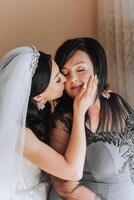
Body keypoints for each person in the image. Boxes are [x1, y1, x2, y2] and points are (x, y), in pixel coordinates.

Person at [0, 46, 98, 199]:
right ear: (39, 97)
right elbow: (73, 171)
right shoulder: (19, 133)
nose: (66, 79)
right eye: (59, 78)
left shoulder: (37, 114)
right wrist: (79, 113)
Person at [48, 38, 134, 200]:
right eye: (65, 73)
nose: (72, 78)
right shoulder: (62, 120)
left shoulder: (116, 102)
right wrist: (79, 112)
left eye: (80, 69)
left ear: (98, 69)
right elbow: (63, 184)